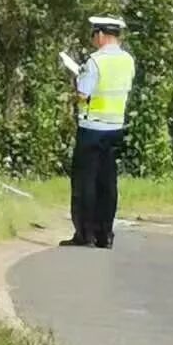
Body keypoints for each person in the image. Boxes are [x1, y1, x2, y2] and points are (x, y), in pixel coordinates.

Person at [62, 14, 136, 249]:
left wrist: (75, 85)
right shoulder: (128, 61)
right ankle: (106, 234)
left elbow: (83, 95)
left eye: (94, 35)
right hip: (115, 128)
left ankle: (85, 234)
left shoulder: (95, 62)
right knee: (108, 182)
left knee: (86, 183)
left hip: (91, 127)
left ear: (101, 35)